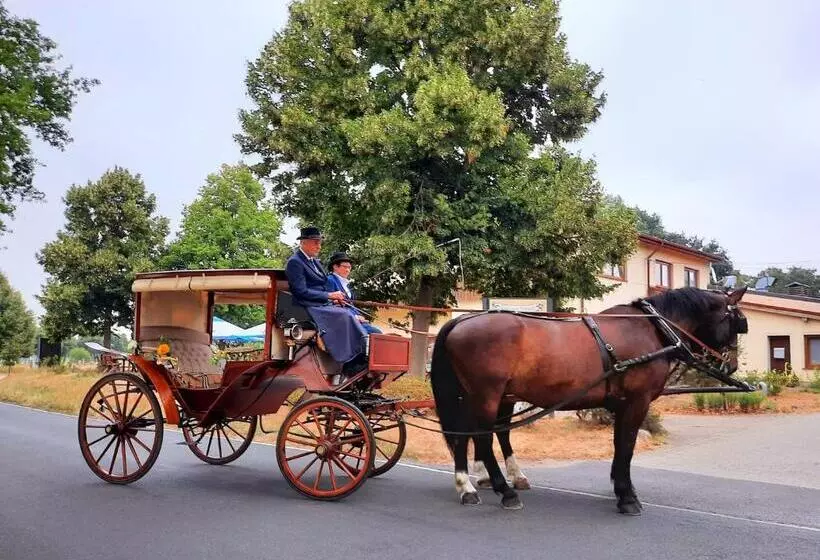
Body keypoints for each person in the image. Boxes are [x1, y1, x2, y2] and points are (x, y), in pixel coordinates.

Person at [285, 226, 368, 376]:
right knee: (346, 316)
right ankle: (349, 361)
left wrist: (334, 300)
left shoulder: (315, 262)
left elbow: (322, 286)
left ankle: (360, 355)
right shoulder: (295, 262)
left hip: (321, 304)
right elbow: (300, 291)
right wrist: (329, 296)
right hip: (307, 306)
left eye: (320, 242)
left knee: (345, 312)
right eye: (315, 242)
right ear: (303, 242)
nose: (319, 246)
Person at [326, 251, 383, 335]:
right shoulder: (330, 280)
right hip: (343, 320)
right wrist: (354, 317)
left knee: (377, 332)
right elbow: (332, 305)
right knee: (376, 333)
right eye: (345, 267)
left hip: (354, 319)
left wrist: (360, 316)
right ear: (335, 266)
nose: (348, 270)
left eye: (349, 267)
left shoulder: (347, 285)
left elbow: (351, 306)